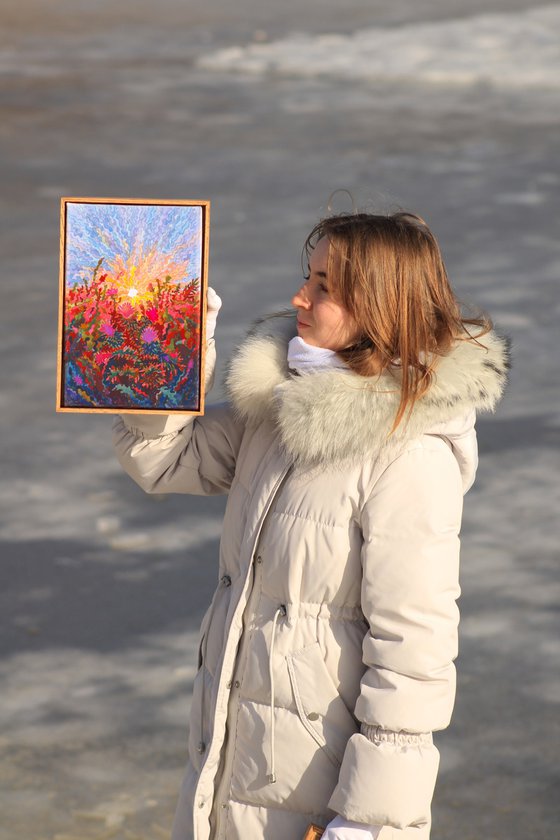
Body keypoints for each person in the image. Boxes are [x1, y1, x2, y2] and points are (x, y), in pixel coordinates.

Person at [113, 211, 509, 840]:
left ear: (378, 304)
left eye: (324, 286)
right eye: (308, 277)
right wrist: (165, 360)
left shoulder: (410, 455)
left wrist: (365, 822)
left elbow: (414, 656)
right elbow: (164, 461)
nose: (300, 297)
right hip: (232, 768)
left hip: (322, 800)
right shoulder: (279, 408)